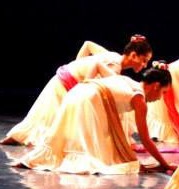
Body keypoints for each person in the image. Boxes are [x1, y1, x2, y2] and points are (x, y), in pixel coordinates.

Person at [13, 65, 175, 174]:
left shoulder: (128, 81)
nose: (160, 97)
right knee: (92, 155)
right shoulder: (139, 100)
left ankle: (34, 160)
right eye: (163, 92)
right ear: (155, 86)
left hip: (77, 92)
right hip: (89, 98)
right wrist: (165, 164)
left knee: (60, 137)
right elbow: (146, 139)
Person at [2, 34, 153, 146]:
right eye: (144, 60)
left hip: (63, 80)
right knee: (45, 121)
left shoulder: (112, 55)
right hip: (63, 85)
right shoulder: (115, 66)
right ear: (133, 55)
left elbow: (87, 45)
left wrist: (75, 65)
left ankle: (14, 138)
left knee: (41, 119)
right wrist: (79, 79)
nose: (145, 65)